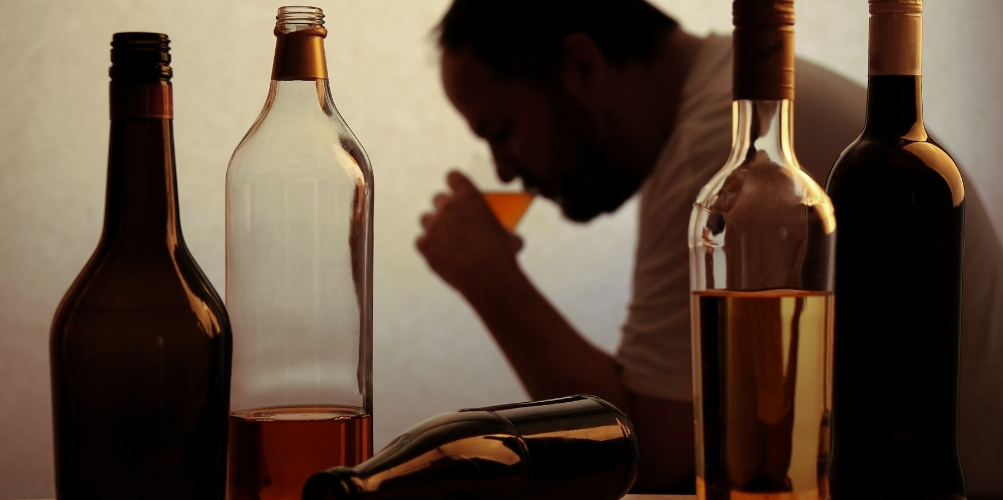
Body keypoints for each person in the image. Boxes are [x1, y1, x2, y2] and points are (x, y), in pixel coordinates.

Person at [415, 0, 1003, 495]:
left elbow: (657, 456)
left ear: (582, 67)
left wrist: (491, 281)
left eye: (500, 132)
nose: (502, 168)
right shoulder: (701, 124)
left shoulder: (722, 152)